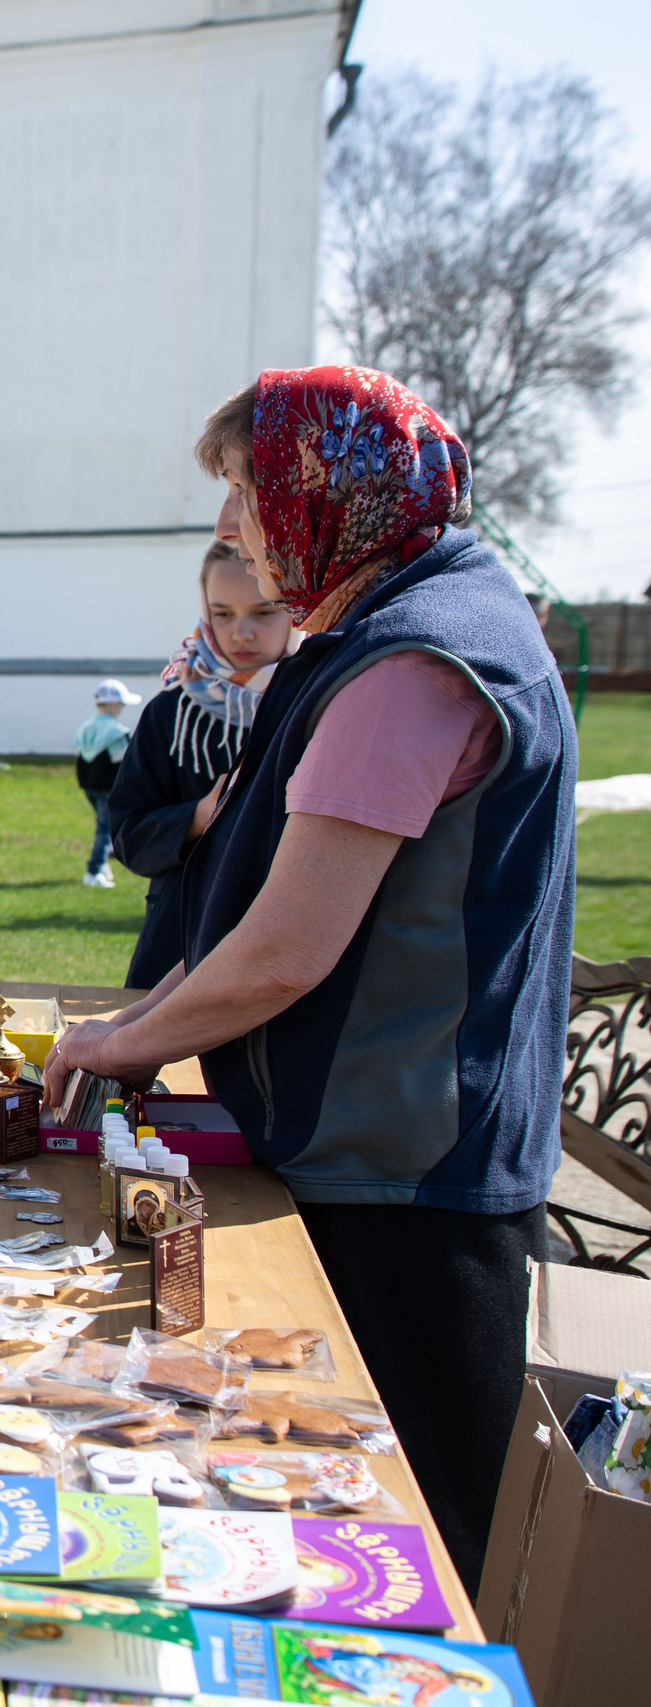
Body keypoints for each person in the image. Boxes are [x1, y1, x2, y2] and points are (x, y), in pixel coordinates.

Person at [44, 366, 574, 1589]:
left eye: (246, 491)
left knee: (401, 1546)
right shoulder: (400, 619)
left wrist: (116, 1047)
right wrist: (140, 1015)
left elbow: (287, 947)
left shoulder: (411, 667)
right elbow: (249, 908)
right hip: (380, 1148)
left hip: (402, 1185)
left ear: (323, 492)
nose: (229, 524)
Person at [107, 541, 295, 988]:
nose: (241, 632)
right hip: (179, 945)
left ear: (296, 609)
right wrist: (197, 816)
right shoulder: (172, 711)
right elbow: (128, 834)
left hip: (287, 947)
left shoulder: (322, 702)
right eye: (222, 613)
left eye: (264, 611)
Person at [73, 680, 138, 888]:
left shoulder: (86, 728)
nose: (122, 708)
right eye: (121, 704)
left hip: (88, 787)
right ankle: (93, 871)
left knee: (105, 826)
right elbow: (126, 764)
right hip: (108, 788)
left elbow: (80, 756)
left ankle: (102, 865)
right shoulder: (117, 732)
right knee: (105, 829)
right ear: (112, 704)